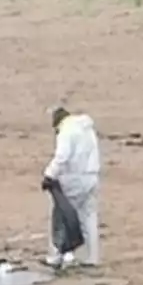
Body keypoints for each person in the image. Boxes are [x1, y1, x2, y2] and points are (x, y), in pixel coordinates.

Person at [41, 106, 101, 267]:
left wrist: (49, 174)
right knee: (89, 217)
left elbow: (62, 156)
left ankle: (56, 256)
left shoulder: (66, 131)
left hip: (74, 178)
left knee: (61, 216)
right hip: (92, 176)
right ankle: (92, 258)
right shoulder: (87, 129)